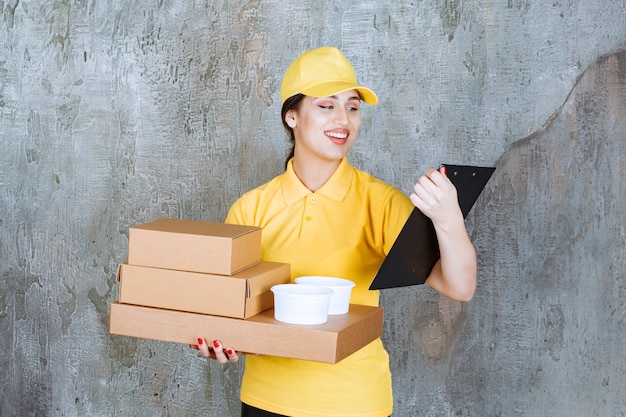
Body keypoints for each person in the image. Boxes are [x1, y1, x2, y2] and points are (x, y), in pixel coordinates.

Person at [192, 46, 477, 417]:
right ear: (292, 116)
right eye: (327, 106)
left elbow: (459, 286)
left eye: (353, 106)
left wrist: (449, 219)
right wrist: (222, 341)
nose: (343, 118)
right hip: (265, 401)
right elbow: (232, 311)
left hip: (354, 403)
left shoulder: (380, 203)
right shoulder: (251, 208)